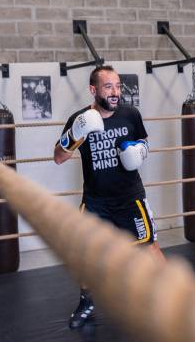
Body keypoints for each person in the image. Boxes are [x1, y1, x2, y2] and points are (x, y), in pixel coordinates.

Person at [54, 65, 165, 329]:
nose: (115, 92)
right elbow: (58, 157)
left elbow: (145, 143)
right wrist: (75, 134)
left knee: (149, 247)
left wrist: (138, 151)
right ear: (93, 90)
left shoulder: (130, 114)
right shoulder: (79, 119)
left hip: (130, 198)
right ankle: (87, 301)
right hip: (96, 201)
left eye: (117, 86)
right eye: (108, 87)